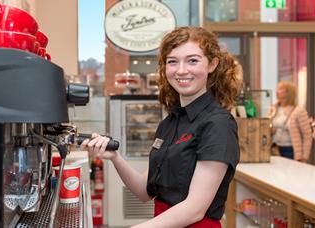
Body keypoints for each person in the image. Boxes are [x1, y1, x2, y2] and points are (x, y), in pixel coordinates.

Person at [81, 26, 240, 227]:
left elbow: (194, 210)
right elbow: (144, 192)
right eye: (172, 62)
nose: (181, 70)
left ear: (212, 65)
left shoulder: (218, 123)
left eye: (192, 60)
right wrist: (115, 157)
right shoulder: (169, 122)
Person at [269, 81, 312, 162]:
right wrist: (270, 130)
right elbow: (268, 125)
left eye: (281, 89)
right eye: (278, 89)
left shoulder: (299, 111)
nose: (277, 91)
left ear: (289, 92)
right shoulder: (274, 109)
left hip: (290, 150)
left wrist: (305, 157)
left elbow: (307, 135)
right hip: (275, 148)